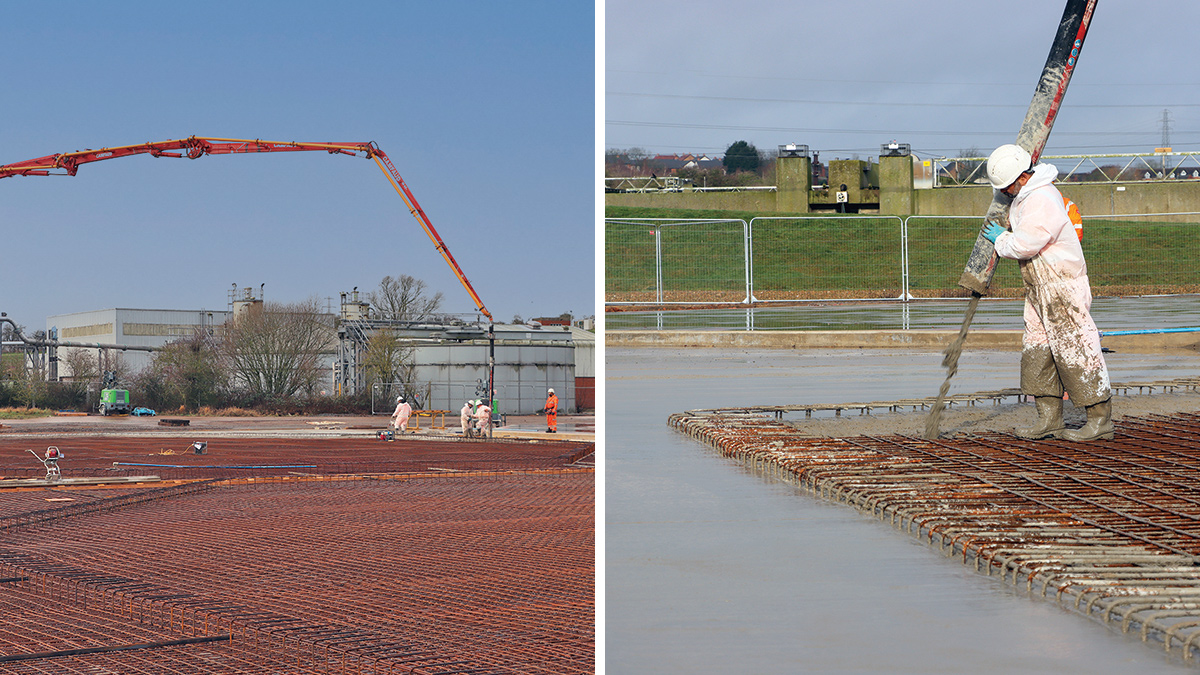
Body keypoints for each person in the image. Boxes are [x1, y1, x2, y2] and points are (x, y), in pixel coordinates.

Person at [981, 144, 1113, 441]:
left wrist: (1001, 239)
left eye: (1007, 187)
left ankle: (1100, 419)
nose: (1006, 193)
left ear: (1022, 178)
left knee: (1076, 348)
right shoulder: (1027, 194)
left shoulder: (1040, 198)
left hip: (1062, 285)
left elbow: (1026, 244)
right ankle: (1049, 419)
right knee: (1038, 349)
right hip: (1040, 287)